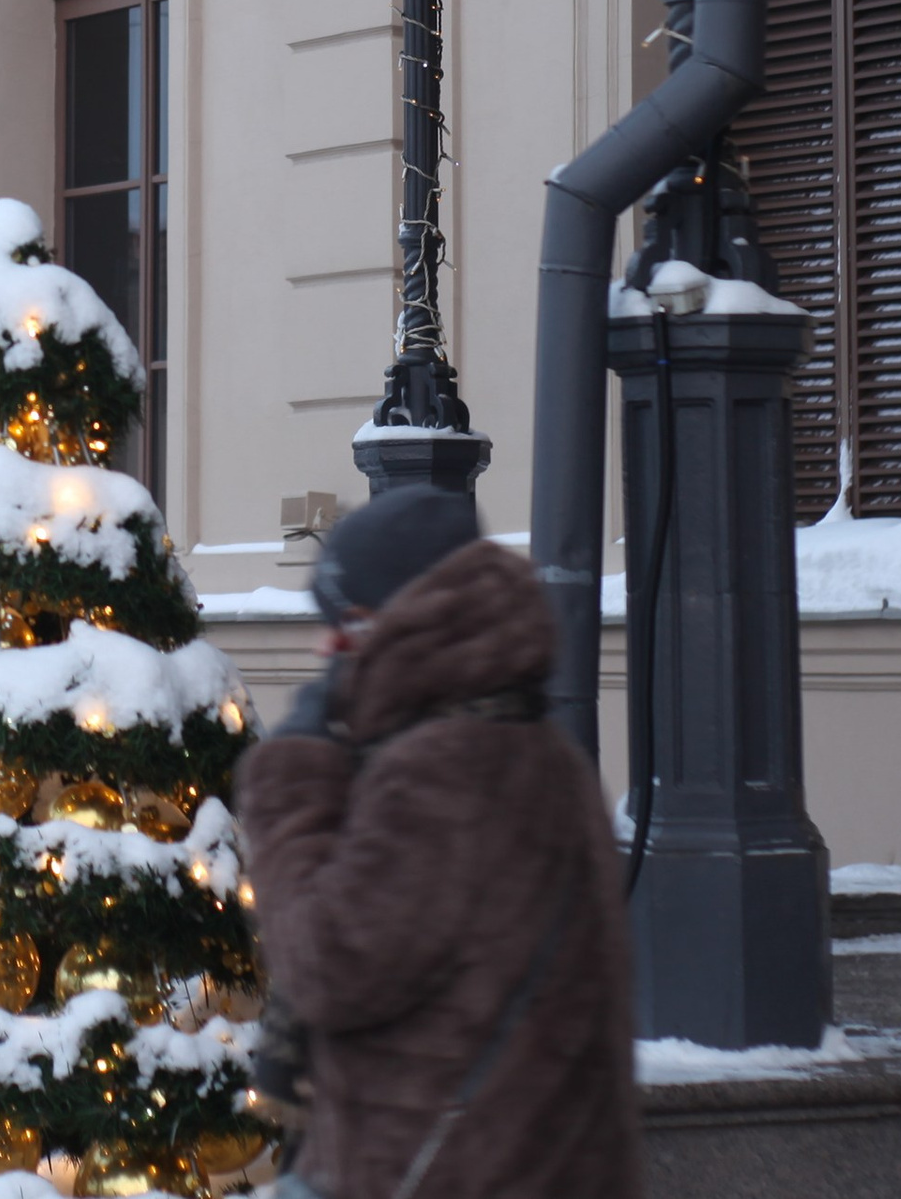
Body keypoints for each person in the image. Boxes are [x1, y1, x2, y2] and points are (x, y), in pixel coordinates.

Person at [235, 486, 639, 1199]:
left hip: (444, 1170)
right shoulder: (532, 749)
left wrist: (293, 783)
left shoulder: (445, 775)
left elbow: (327, 963)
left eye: (349, 623)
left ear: (405, 623)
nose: (328, 649)